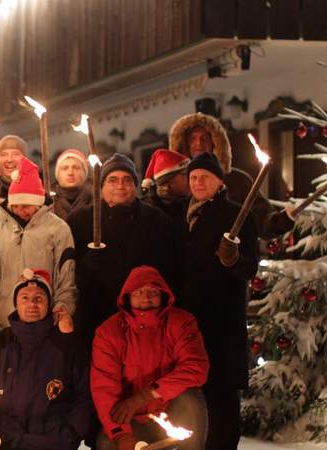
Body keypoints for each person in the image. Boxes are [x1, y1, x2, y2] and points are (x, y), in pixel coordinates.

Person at [179, 152, 259, 450]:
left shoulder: (237, 215)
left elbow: (249, 267)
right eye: (194, 177)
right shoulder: (181, 215)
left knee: (222, 402)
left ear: (219, 182)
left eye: (205, 177)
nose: (198, 182)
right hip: (188, 323)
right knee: (193, 401)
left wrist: (233, 259)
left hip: (222, 324)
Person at [0, 269, 91, 450]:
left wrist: (69, 435)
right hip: (6, 439)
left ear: (49, 304)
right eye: (24, 298)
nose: (32, 304)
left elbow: (84, 395)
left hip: (54, 441)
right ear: (16, 304)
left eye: (39, 298)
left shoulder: (66, 344)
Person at [90, 266, 209, 450]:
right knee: (107, 443)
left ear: (163, 295)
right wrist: (121, 434)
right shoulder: (109, 332)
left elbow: (195, 368)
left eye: (152, 292)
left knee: (190, 399)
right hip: (132, 419)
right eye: (139, 292)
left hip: (172, 411)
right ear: (127, 296)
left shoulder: (181, 322)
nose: (146, 298)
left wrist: (144, 396)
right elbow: (104, 388)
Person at [67, 153, 178, 343]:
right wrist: (88, 264)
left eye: (127, 180)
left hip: (144, 315)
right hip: (96, 315)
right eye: (112, 180)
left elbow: (171, 267)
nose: (120, 186)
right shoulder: (80, 220)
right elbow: (69, 273)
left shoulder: (156, 220)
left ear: (135, 185)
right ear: (101, 186)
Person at [0, 157, 77, 330]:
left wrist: (62, 309)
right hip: (5, 319)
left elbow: (66, 276)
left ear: (38, 203)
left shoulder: (58, 229)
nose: (21, 210)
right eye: (16, 206)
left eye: (27, 205)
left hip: (43, 319)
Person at [168, 112, 293, 238]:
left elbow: (260, 218)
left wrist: (277, 223)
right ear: (185, 144)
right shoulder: (176, 183)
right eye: (192, 139)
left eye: (204, 138)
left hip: (235, 253)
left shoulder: (237, 180)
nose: (199, 143)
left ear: (215, 142)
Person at [140, 149, 190, 221]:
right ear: (168, 181)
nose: (191, 177)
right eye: (185, 173)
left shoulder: (189, 203)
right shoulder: (148, 213)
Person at [51, 148, 92, 221]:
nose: (70, 173)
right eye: (65, 168)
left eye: (76, 168)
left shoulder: (96, 202)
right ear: (58, 175)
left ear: (84, 173)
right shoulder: (49, 204)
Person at [0, 134, 27, 202]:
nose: (9, 159)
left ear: (25, 159)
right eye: (4, 154)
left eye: (16, 154)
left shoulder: (36, 184)